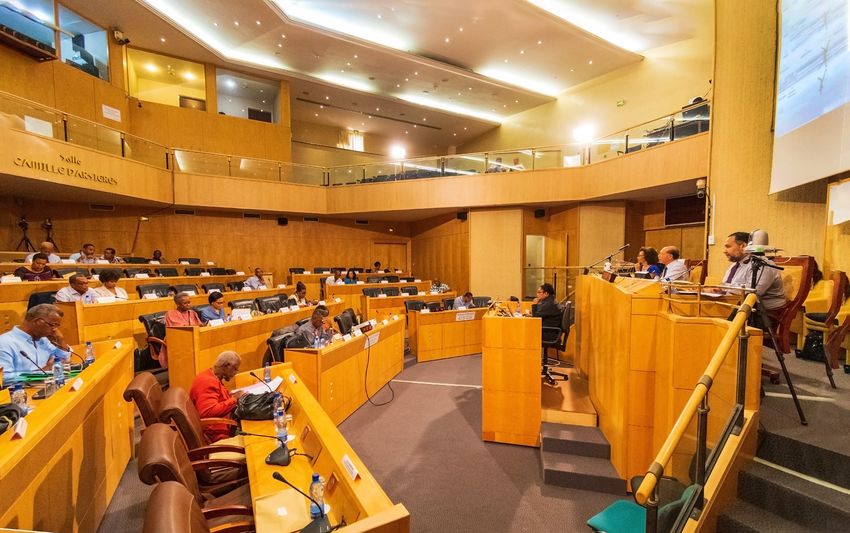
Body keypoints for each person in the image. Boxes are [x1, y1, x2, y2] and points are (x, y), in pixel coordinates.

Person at [716, 231, 787, 322]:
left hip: (765, 313)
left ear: (743, 246)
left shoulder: (763, 264)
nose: (724, 251)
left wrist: (724, 287)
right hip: (741, 306)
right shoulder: (734, 265)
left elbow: (753, 292)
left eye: (728, 246)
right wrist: (718, 290)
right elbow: (727, 286)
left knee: (722, 320)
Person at [0, 303, 70, 381]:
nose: (55, 329)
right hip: (21, 388)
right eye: (53, 325)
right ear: (37, 321)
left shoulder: (44, 340)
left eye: (57, 326)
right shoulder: (4, 342)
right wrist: (42, 373)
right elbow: (4, 377)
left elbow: (63, 360)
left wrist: (60, 339)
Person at [189, 350, 244, 443]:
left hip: (226, 424)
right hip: (217, 433)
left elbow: (219, 397)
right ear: (226, 366)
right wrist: (234, 399)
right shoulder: (207, 382)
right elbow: (208, 411)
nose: (235, 373)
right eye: (235, 369)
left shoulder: (211, 375)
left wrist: (232, 396)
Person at [157, 292, 204, 368]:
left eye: (189, 302)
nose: (188, 305)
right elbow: (180, 329)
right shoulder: (171, 313)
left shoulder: (192, 313)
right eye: (185, 303)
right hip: (177, 341)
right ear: (178, 304)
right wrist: (196, 326)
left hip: (192, 339)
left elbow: (200, 326)